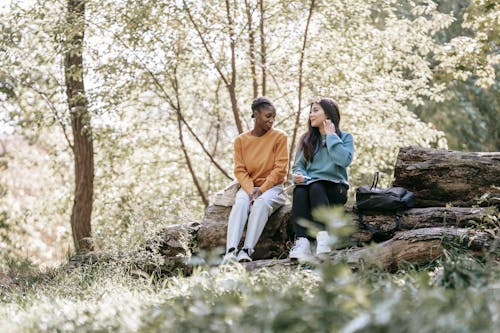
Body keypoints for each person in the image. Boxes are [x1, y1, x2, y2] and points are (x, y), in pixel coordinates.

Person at [223, 96, 288, 263]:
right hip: (249, 187)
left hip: (273, 188)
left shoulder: (279, 137)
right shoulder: (241, 141)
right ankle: (230, 252)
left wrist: (262, 189)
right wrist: (251, 190)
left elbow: (280, 169)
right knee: (241, 204)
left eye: (274, 116)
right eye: (268, 116)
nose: (272, 120)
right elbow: (240, 170)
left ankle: (246, 251)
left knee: (260, 204)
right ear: (255, 114)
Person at [289, 97, 354, 260]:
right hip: (310, 187)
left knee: (316, 186)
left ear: (328, 114)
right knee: (299, 192)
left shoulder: (344, 137)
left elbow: (343, 160)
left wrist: (331, 136)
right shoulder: (307, 140)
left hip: (335, 189)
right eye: (310, 111)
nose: (311, 115)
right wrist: (299, 175)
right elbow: (298, 166)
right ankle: (302, 242)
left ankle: (324, 238)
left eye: (315, 110)